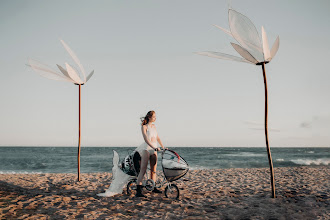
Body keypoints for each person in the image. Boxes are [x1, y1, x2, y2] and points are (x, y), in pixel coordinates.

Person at [135, 110, 165, 197]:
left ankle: (153, 187)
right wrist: (153, 147)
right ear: (149, 117)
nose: (155, 118)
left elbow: (157, 137)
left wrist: (162, 147)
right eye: (154, 117)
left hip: (154, 149)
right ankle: (138, 191)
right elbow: (146, 139)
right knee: (143, 169)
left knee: (153, 170)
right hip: (147, 149)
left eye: (155, 117)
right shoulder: (144, 127)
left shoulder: (154, 127)